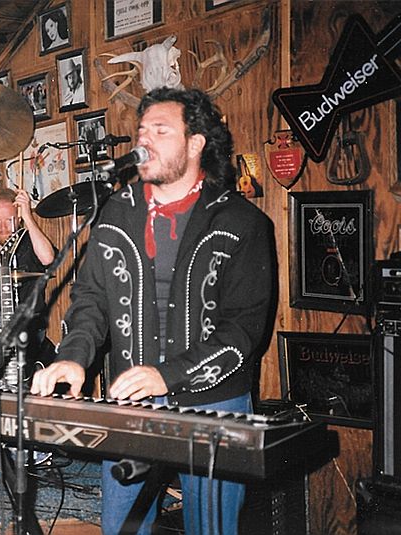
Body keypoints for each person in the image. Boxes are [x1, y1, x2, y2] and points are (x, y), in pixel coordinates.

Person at [31, 87, 276, 534]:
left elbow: (243, 330)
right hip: (132, 400)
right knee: (121, 526)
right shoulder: (114, 212)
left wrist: (169, 375)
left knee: (212, 529)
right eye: (142, 130)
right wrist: (73, 356)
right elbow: (90, 299)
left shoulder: (242, 221)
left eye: (161, 131)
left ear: (195, 143)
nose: (145, 139)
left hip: (214, 401)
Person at [0, 188, 56, 377]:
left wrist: (28, 216)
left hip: (30, 331)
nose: (3, 227)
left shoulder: (29, 240)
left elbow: (48, 258)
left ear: (18, 218)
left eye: (9, 220)